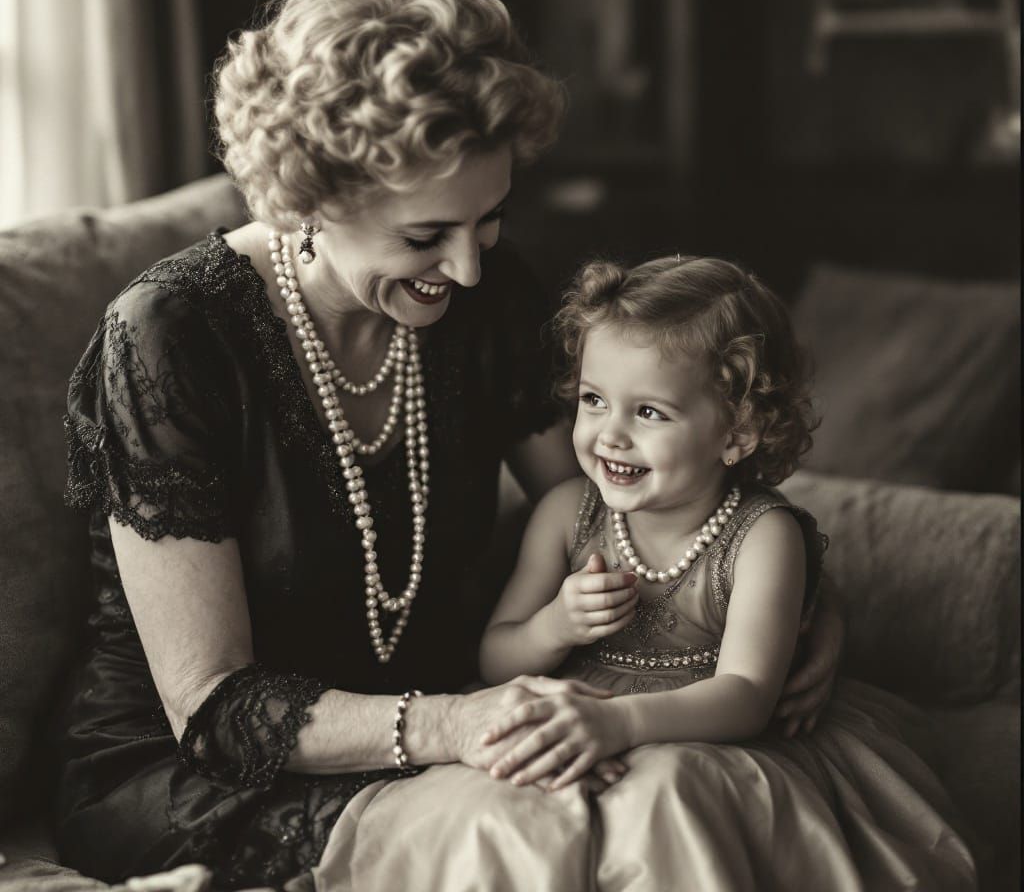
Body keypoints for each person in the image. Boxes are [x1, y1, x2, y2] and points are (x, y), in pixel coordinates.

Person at [56, 0, 841, 891]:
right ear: (308, 198)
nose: (468, 271)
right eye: (426, 237)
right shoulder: (171, 337)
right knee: (539, 835)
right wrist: (453, 726)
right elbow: (215, 705)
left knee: (654, 798)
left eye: (491, 219)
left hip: (457, 706)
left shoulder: (482, 301)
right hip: (207, 778)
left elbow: (606, 513)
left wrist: (798, 597)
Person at [313, 256, 976, 892]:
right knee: (503, 816)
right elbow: (496, 656)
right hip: (578, 718)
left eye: (650, 412)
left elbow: (746, 694)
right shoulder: (566, 513)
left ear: (738, 432)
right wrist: (554, 626)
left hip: (704, 736)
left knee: (669, 807)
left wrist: (623, 725)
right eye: (594, 400)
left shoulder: (763, 536)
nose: (610, 434)